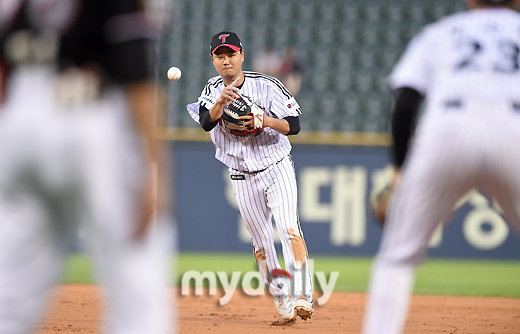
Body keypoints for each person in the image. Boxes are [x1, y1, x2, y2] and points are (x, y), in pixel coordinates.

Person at [0, 1, 173, 333]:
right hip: (90, 115)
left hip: (17, 115)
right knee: (136, 292)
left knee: (9, 297)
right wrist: (155, 170)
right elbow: (135, 71)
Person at [362, 0, 520, 333]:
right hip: (515, 133)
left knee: (397, 257)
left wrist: (400, 171)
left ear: (471, 0)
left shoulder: (441, 32)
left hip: (446, 132)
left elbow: (405, 103)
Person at [186, 31, 313, 321]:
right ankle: (282, 301)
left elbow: (294, 125)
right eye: (220, 56)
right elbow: (206, 123)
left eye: (231, 54)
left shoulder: (267, 85)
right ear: (213, 60)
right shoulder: (212, 89)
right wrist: (220, 101)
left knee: (288, 226)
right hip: (242, 175)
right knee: (261, 243)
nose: (226, 60)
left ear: (242, 55)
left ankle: (304, 295)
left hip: (276, 164)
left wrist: (264, 120)